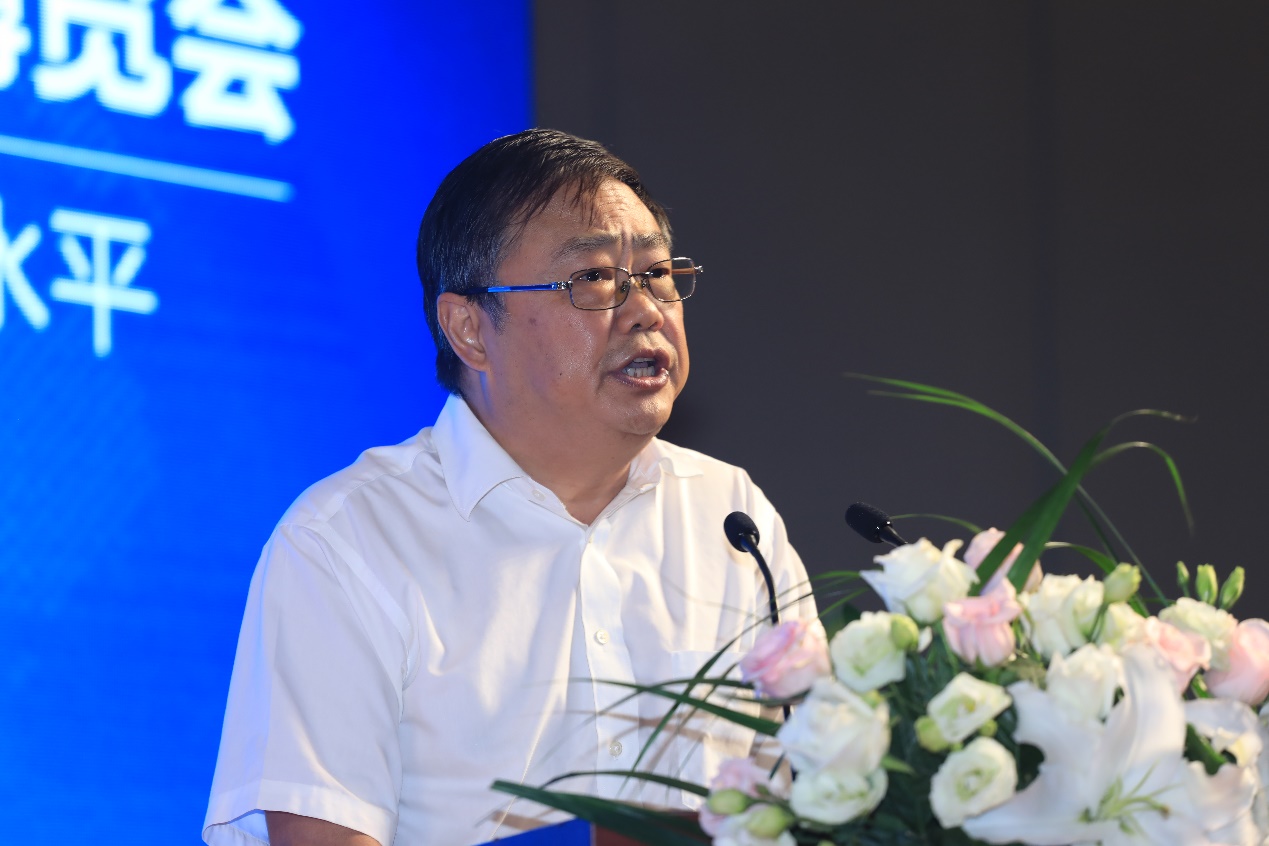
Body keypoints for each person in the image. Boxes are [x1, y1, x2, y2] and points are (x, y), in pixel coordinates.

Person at [203, 129, 811, 846]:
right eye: (594, 278)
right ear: (469, 329)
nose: (647, 308)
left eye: (657, 273)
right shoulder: (349, 540)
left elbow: (826, 784)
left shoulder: (729, 516)